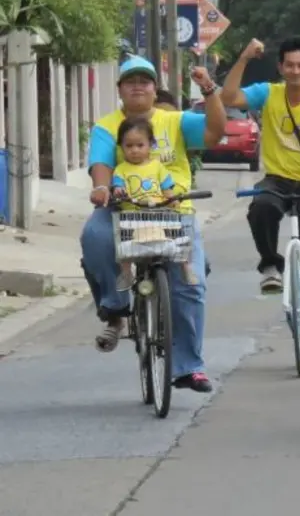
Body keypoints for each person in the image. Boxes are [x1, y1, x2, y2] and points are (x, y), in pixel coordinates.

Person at [80, 56, 226, 393]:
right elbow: (100, 163)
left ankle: (189, 367)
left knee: (191, 285)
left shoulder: (176, 121)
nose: (137, 86)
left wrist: (209, 89)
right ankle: (115, 306)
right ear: (119, 89)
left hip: (174, 212)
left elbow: (216, 133)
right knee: (94, 236)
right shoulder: (106, 126)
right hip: (122, 210)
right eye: (130, 81)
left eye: (144, 81)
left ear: (154, 88)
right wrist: (101, 189)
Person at [220, 37, 300, 349]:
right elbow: (229, 96)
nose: (295, 71)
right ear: (280, 67)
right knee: (261, 207)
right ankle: (270, 265)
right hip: (277, 179)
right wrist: (244, 58)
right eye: (289, 65)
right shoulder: (268, 93)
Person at [111, 116, 198, 290]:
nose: (135, 150)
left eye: (140, 145)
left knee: (181, 235)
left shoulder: (158, 167)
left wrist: (171, 199)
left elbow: (167, 189)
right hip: (133, 216)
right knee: (124, 245)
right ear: (121, 147)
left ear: (150, 145)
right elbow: (118, 187)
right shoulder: (121, 170)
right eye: (129, 146)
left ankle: (187, 267)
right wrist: (118, 191)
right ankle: (127, 273)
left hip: (159, 213)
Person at [155, 89, 211, 277]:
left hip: (178, 211)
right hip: (137, 210)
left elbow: (213, 130)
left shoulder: (181, 131)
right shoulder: (130, 138)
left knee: (194, 275)